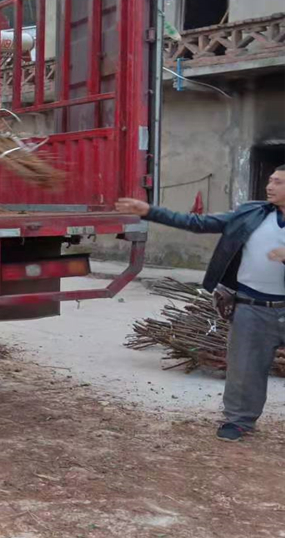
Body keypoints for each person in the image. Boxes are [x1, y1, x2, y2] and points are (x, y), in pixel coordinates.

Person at [116, 165, 285, 442]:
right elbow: (199, 224)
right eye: (270, 180)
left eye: (278, 182)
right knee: (244, 368)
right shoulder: (250, 213)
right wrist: (150, 211)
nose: (270, 186)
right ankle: (239, 421)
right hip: (251, 307)